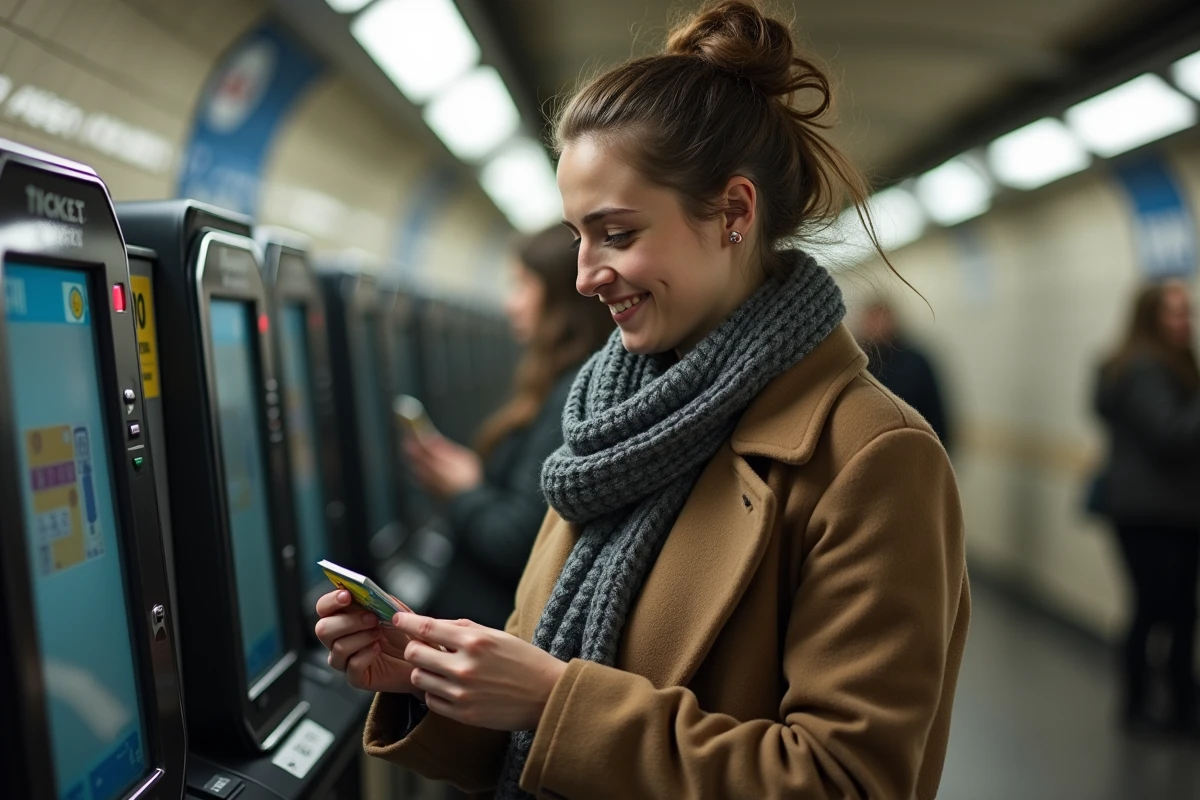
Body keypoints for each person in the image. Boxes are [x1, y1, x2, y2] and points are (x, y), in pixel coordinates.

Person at [315, 3, 969, 798]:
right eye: (578, 237)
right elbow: (538, 703)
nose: (586, 276)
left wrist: (557, 702)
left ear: (733, 213)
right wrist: (430, 678)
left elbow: (847, 781)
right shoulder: (606, 428)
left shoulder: (871, 456)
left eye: (617, 234)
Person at [402, 225, 614, 630]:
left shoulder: (572, 395)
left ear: (561, 298)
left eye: (522, 286)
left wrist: (463, 490)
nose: (511, 304)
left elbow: (518, 540)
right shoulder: (564, 383)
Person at [1094, 279, 1200, 737]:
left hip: (1174, 512)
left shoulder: (1173, 364)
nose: (1183, 321)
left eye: (1186, 311)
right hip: (1150, 513)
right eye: (1173, 312)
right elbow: (1170, 434)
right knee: (1156, 609)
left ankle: (1176, 704)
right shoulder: (1142, 369)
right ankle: (1141, 706)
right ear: (1149, 318)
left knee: (1177, 611)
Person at [857, 298, 953, 449]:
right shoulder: (856, 364)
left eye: (882, 318)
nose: (877, 325)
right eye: (872, 318)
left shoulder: (916, 363)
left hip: (912, 448)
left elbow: (936, 414)